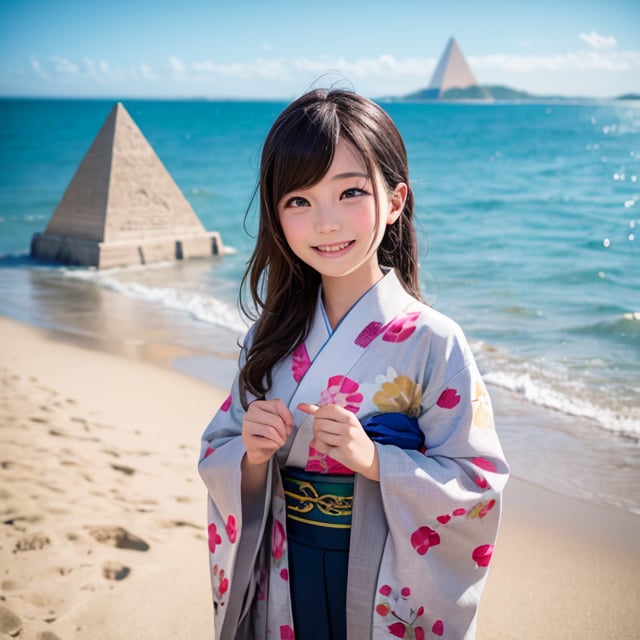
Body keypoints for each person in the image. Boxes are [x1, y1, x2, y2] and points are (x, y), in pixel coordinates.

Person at [198, 88, 508, 640]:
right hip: (284, 565)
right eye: (299, 201)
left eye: (350, 193)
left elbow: (477, 482)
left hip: (382, 572)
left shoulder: (435, 342)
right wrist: (250, 455)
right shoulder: (267, 339)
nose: (326, 223)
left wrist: (375, 462)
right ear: (275, 213)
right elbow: (217, 451)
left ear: (395, 201)